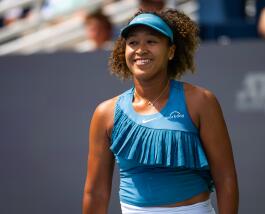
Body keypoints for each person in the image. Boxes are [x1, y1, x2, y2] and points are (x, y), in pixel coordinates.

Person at [82, 9, 239, 214]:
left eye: (151, 41)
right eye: (133, 42)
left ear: (171, 51)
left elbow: (225, 179)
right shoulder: (105, 113)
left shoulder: (201, 102)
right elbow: (96, 193)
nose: (141, 49)